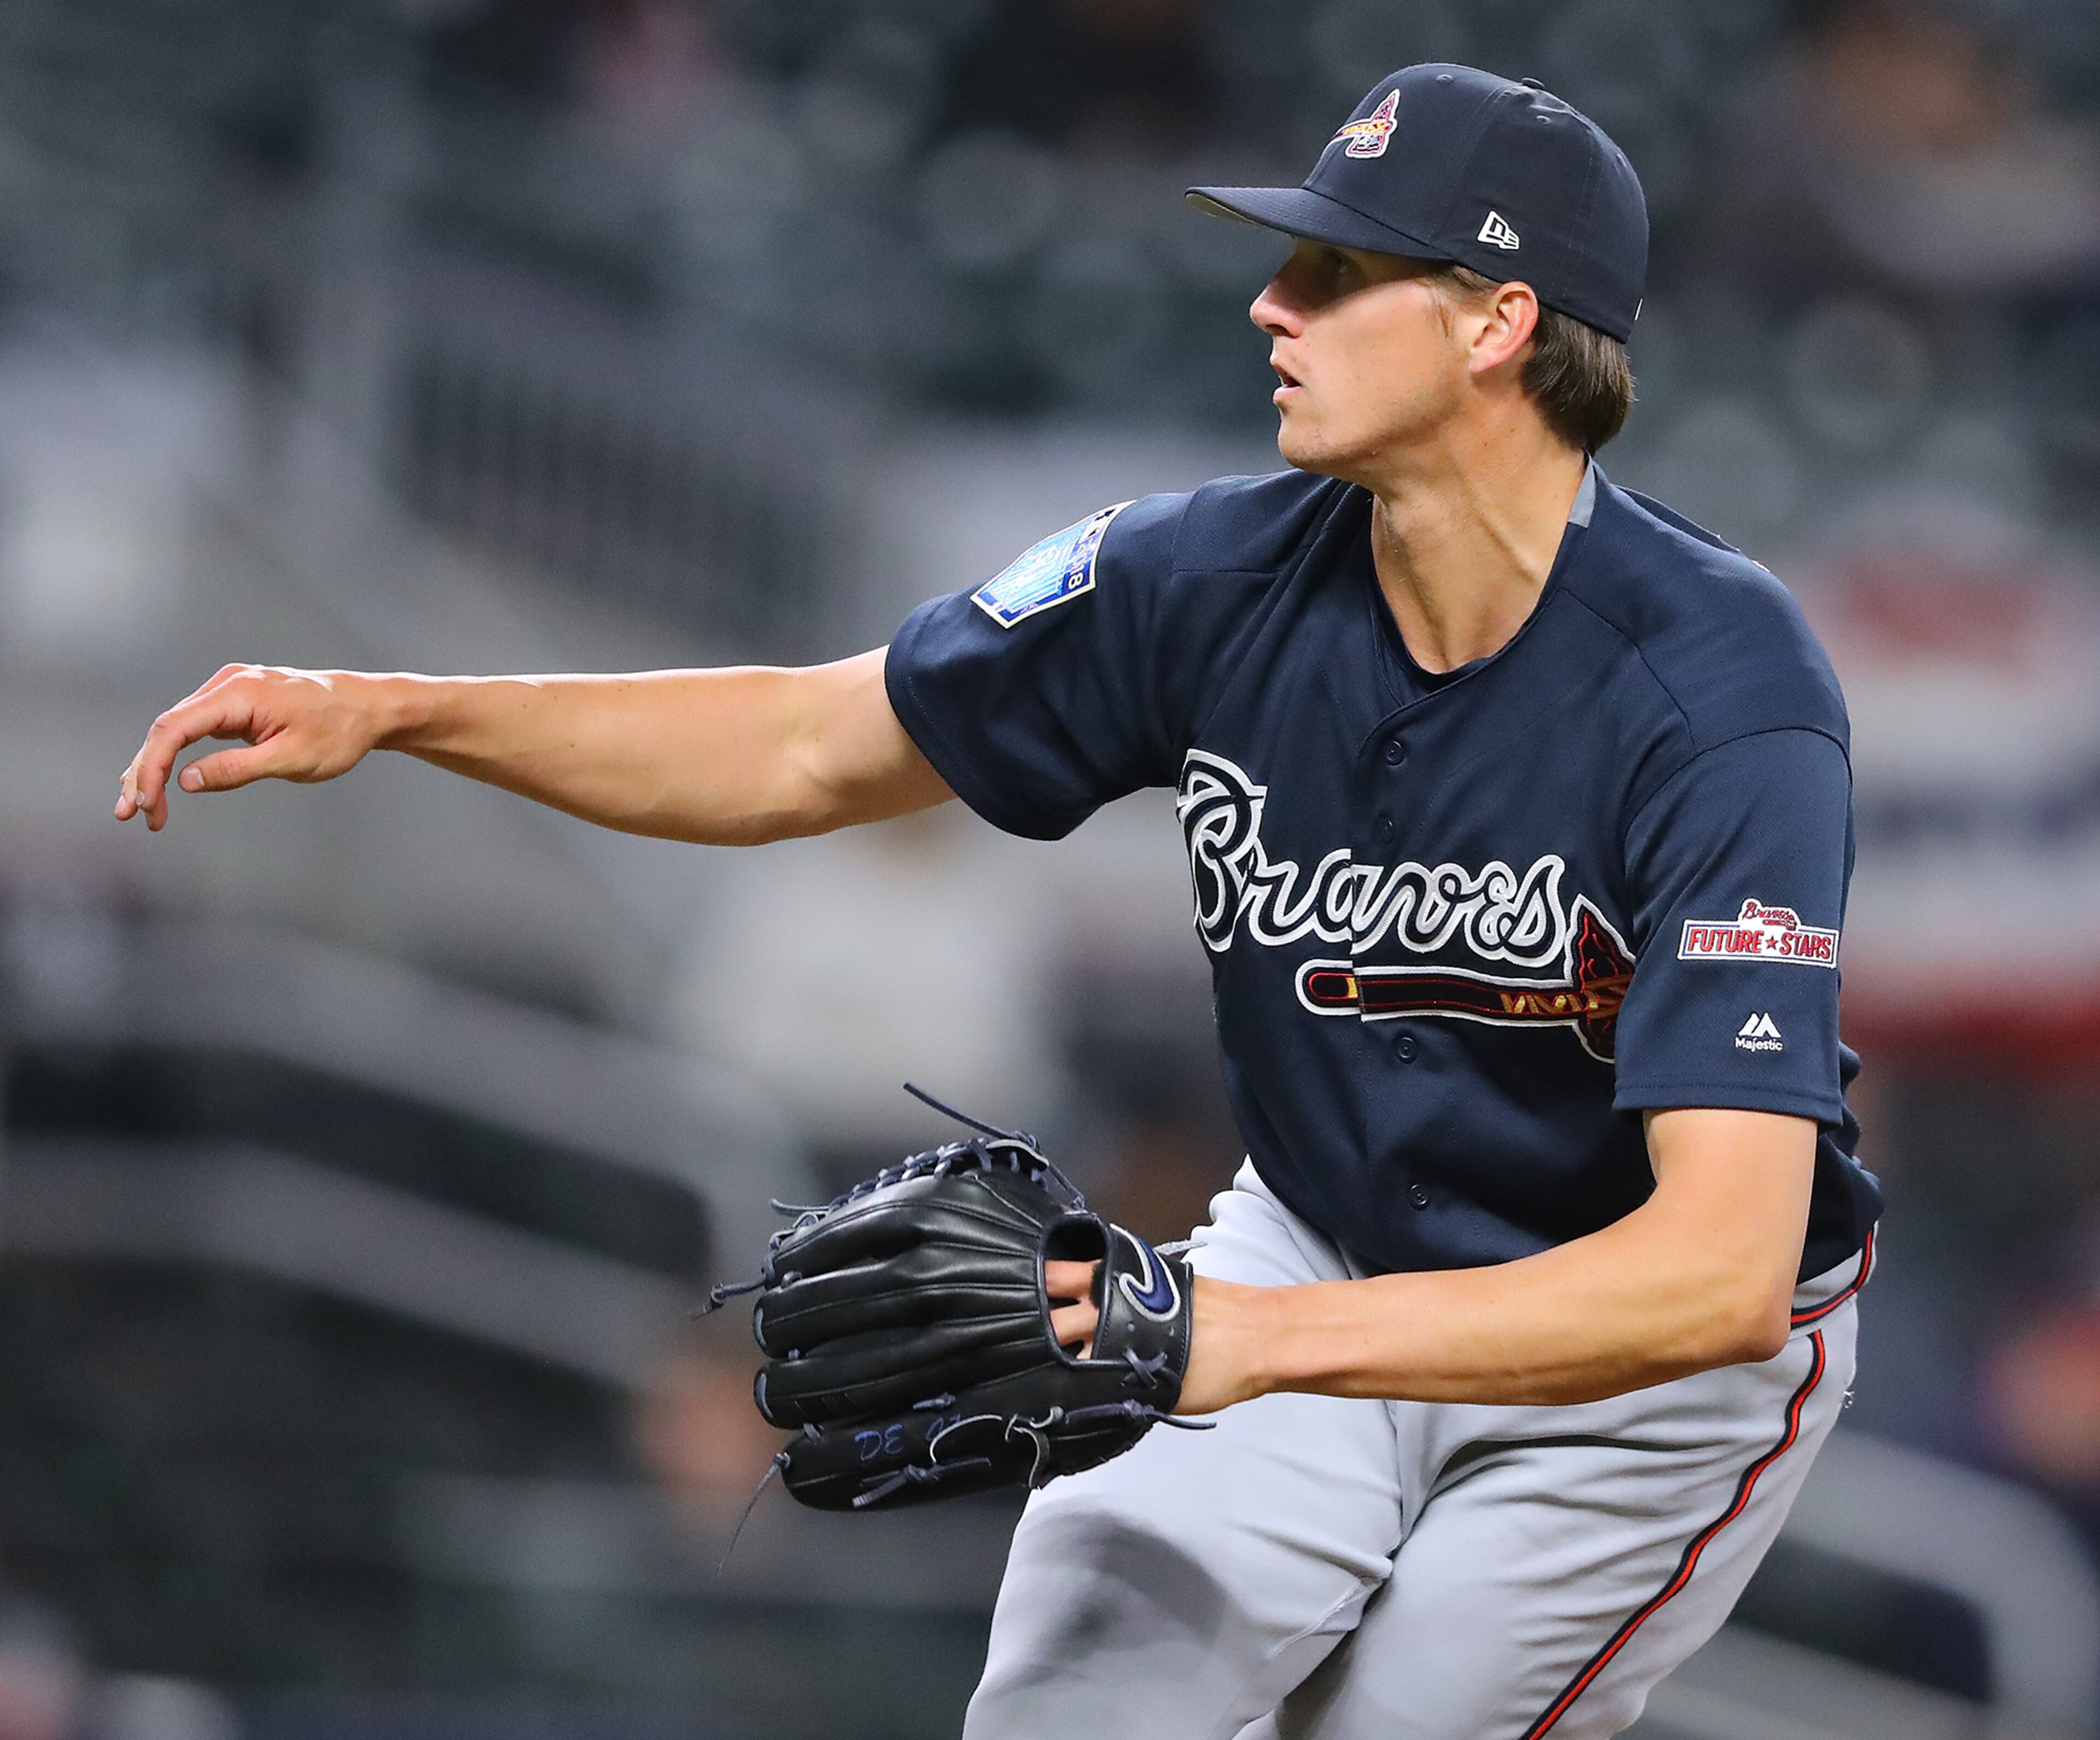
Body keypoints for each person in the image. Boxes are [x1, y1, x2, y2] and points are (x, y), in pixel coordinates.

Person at [116, 65, 1880, 1740]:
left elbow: (1714, 1270)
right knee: (1079, 1683)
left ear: (1497, 324)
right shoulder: (1203, 575)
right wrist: (413, 710)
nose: (1271, 302)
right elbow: (816, 742)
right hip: (1331, 1231)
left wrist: (1244, 1339)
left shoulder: (1722, 690)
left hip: (1628, 1368)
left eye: (1338, 269)